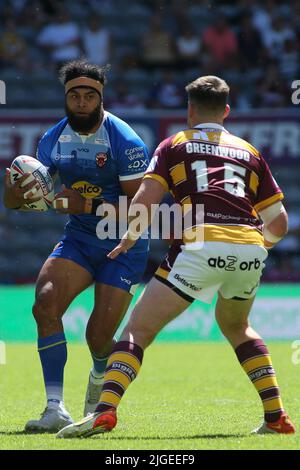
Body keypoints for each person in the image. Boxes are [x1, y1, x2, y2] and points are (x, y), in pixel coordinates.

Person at [56, 75, 295, 438]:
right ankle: (276, 416)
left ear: (190, 109)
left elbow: (144, 202)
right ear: (227, 111)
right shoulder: (250, 151)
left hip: (200, 244)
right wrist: (253, 249)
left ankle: (104, 411)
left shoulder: (175, 144)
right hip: (249, 245)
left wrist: (128, 237)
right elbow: (279, 223)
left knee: (138, 330)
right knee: (237, 327)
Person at [3, 60, 149, 433]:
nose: (82, 101)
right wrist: (15, 193)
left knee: (98, 337)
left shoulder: (126, 141)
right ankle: (55, 408)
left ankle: (100, 378)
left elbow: (143, 210)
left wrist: (89, 205)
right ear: (65, 98)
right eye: (75, 95)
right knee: (46, 302)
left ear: (101, 97)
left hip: (124, 245)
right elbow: (25, 202)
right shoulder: (52, 141)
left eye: (89, 95)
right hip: (81, 239)